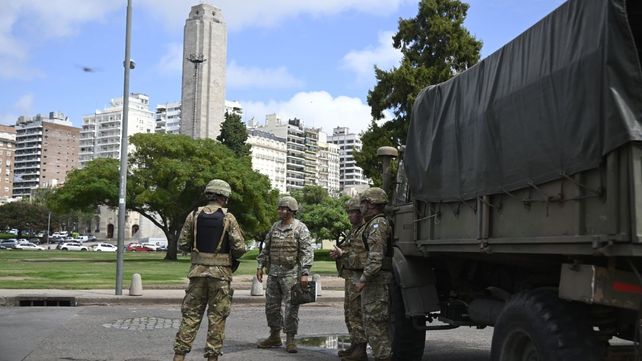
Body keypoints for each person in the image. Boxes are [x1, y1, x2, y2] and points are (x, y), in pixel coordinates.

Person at [173, 179, 247, 361]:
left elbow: (182, 244)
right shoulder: (228, 218)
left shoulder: (194, 216)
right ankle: (212, 357)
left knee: (191, 315)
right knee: (217, 317)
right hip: (220, 275)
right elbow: (240, 248)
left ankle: (179, 355)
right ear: (224, 197)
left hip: (197, 273)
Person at [256, 195, 314, 353]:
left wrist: (305, 272)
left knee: (291, 308)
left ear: (292, 211)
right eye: (280, 208)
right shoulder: (275, 227)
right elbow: (266, 247)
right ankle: (274, 336)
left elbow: (306, 252)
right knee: (271, 307)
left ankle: (290, 339)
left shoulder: (300, 228)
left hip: (291, 274)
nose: (281, 211)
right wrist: (260, 265)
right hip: (274, 273)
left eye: (284, 208)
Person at [347, 187, 393, 361]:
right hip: (376, 280)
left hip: (377, 281)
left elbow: (375, 258)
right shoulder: (374, 223)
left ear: (371, 204)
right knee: (373, 323)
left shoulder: (377, 224)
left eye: (364, 203)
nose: (361, 207)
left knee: (376, 325)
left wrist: (363, 279)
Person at [330, 197, 368, 360]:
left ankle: (360, 350)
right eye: (349, 212)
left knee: (357, 313)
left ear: (361, 213)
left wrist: (343, 254)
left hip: (359, 278)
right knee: (349, 313)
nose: (350, 215)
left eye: (354, 212)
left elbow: (365, 256)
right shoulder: (354, 231)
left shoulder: (366, 230)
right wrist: (339, 253)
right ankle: (354, 345)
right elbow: (349, 249)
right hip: (351, 277)